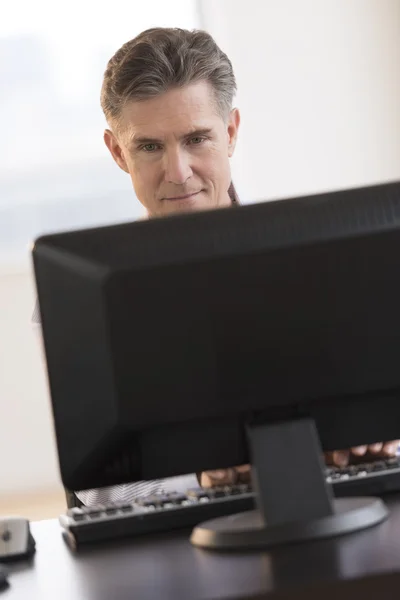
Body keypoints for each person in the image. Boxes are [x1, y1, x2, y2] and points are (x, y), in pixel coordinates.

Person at [35, 27, 398, 503]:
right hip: (178, 554)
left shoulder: (328, 259)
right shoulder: (81, 295)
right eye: (149, 147)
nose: (178, 172)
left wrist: (382, 443)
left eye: (196, 138)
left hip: (345, 515)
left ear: (230, 132)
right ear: (117, 152)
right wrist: (200, 480)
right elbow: (101, 487)